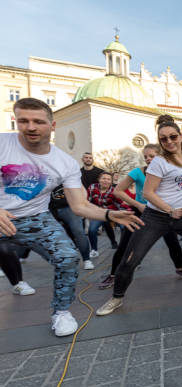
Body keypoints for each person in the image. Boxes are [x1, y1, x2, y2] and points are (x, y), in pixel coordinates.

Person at [0, 98, 142, 336]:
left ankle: (61, 312)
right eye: (23, 121)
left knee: (67, 257)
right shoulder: (3, 143)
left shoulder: (64, 163)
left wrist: (108, 214)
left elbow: (79, 205)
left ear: (52, 126)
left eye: (38, 121)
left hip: (35, 218)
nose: (31, 127)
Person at [95, 116, 182, 316]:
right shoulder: (159, 162)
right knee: (130, 260)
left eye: (172, 137)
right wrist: (169, 209)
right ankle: (117, 298)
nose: (169, 141)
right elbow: (148, 193)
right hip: (156, 216)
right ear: (160, 141)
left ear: (180, 137)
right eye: (163, 139)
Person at [97, 143, 182, 289]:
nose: (148, 159)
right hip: (141, 212)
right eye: (145, 156)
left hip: (163, 213)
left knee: (173, 243)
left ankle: (179, 268)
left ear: (160, 156)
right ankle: (113, 275)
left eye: (152, 156)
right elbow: (118, 191)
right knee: (125, 245)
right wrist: (138, 204)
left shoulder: (169, 171)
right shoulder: (137, 172)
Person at [49, 185, 94, 270]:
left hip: (69, 207)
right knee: (39, 231)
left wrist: (82, 205)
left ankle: (86, 260)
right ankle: (22, 254)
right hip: (48, 208)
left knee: (78, 231)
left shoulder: (68, 173)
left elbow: (81, 188)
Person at [87, 172, 130, 254]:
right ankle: (94, 250)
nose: (106, 181)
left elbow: (121, 203)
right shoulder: (92, 187)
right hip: (98, 213)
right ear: (99, 180)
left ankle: (123, 248)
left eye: (108, 179)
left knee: (124, 227)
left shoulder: (114, 191)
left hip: (113, 213)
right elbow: (87, 200)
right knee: (92, 230)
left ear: (111, 181)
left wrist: (129, 212)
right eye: (103, 178)